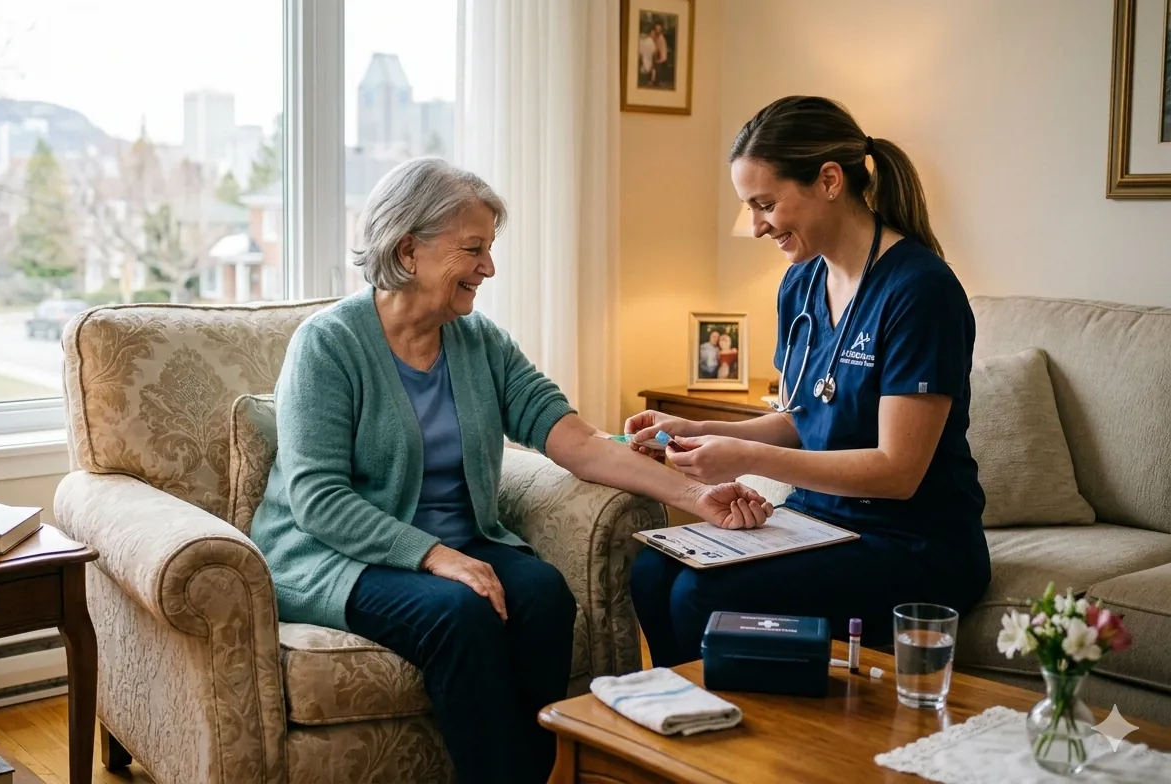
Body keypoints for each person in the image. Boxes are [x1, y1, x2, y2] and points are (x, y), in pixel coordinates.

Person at [251, 157, 775, 784]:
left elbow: (577, 442)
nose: (489, 268)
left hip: (460, 542)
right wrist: (436, 557)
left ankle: (539, 773)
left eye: (489, 249)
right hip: (335, 554)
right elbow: (318, 499)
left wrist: (700, 493)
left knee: (542, 595)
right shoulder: (328, 344)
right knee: (459, 614)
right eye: (472, 249)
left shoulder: (480, 343)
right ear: (408, 249)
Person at [625, 96, 992, 666]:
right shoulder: (799, 286)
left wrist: (745, 456)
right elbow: (803, 418)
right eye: (750, 207)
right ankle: (687, 730)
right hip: (820, 521)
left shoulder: (920, 290)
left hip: (912, 543)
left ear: (827, 180)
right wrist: (693, 427)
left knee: (704, 594)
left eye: (765, 204)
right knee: (653, 571)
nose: (755, 226)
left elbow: (897, 472)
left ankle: (730, 742)